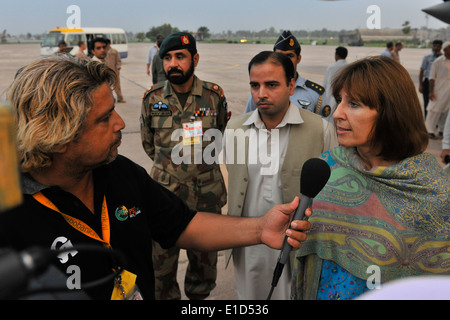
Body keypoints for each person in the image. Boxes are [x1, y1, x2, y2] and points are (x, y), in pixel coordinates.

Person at [0, 55, 311, 300]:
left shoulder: (119, 172)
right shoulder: (9, 210)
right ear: (59, 134)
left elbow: (183, 225)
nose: (120, 123)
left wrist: (261, 227)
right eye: (105, 117)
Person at [292, 56, 450, 300]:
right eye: (339, 101)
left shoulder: (436, 191)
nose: (337, 114)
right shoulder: (328, 168)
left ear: (391, 112)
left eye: (354, 104)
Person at [224, 51, 338, 300]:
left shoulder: (322, 130)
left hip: (299, 246)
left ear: (290, 86)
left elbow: (332, 193)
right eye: (255, 85)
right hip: (248, 246)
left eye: (271, 84)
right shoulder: (234, 129)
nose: (261, 93)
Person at [140, 32, 228, 300]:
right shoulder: (152, 99)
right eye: (167, 58)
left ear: (195, 59)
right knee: (160, 269)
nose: (172, 64)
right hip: (164, 197)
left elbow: (220, 136)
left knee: (204, 267)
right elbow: (149, 145)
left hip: (206, 197)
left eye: (180, 57)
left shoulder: (214, 97)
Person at [244, 31, 330, 119]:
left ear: (299, 58)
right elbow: (248, 122)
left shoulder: (315, 94)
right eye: (280, 55)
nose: (285, 60)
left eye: (289, 56)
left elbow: (325, 129)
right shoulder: (260, 91)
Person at [425, 41, 450, 139]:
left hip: (448, 92)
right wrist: (431, 91)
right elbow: (431, 77)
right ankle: (429, 130)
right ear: (444, 50)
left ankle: (442, 130)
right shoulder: (438, 61)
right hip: (438, 90)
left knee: (446, 112)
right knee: (434, 111)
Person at [419, 40, 443, 117]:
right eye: (434, 46)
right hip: (427, 82)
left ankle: (435, 123)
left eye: (438, 46)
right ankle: (427, 121)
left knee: (437, 103)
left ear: (441, 47)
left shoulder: (443, 58)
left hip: (438, 83)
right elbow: (421, 71)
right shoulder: (427, 58)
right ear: (432, 47)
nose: (436, 48)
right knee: (427, 103)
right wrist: (420, 85)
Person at [322, 46, 348, 117]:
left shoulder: (331, 67)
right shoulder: (349, 67)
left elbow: (324, 84)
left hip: (330, 97)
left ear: (336, 56)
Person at [105, 39, 125, 103]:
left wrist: (118, 69)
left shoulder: (114, 51)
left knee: (117, 86)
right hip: (106, 72)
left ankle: (120, 98)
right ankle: (109, 99)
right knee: (106, 86)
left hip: (114, 71)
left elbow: (118, 61)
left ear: (109, 44)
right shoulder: (103, 52)